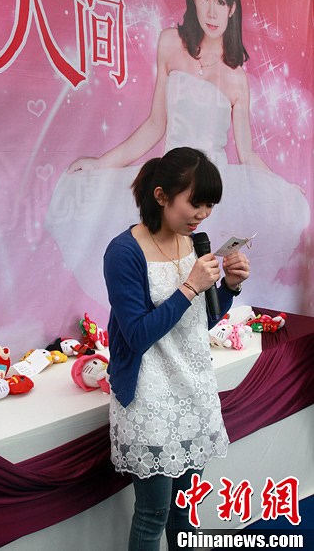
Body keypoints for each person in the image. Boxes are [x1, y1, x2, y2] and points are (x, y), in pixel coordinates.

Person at [45, 0, 310, 311]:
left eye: (221, 0)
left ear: (233, 8)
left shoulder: (237, 78)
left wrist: (281, 187)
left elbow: (247, 153)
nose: (212, 11)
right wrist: (101, 162)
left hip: (210, 190)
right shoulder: (170, 43)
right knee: (157, 273)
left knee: (205, 276)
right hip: (171, 179)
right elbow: (156, 124)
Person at [104, 147, 250, 550]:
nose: (202, 214)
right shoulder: (124, 252)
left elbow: (197, 324)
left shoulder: (196, 242)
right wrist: (190, 286)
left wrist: (229, 288)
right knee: (152, 515)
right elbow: (136, 335)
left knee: (185, 510)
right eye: (195, 203)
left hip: (193, 390)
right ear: (161, 195)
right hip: (149, 398)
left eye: (209, 206)